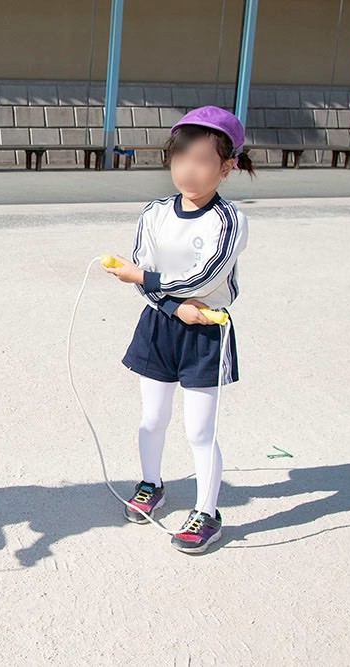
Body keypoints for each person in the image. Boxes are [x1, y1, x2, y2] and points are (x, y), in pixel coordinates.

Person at [104, 106, 253, 553]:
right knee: (152, 418)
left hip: (207, 331)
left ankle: (207, 513)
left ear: (226, 167)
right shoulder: (154, 213)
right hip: (159, 325)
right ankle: (151, 483)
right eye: (181, 157)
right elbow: (143, 271)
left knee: (199, 430)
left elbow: (202, 278)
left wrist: (145, 279)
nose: (188, 170)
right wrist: (171, 305)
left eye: (203, 160)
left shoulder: (230, 220)